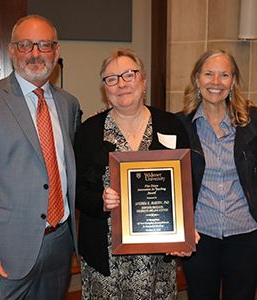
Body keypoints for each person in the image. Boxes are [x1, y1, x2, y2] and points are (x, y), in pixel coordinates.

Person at [74, 48, 191, 300]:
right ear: (105, 88)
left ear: (143, 81)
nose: (122, 84)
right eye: (112, 79)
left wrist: (184, 231)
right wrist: (100, 202)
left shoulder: (170, 125)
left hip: (158, 257)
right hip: (106, 260)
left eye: (129, 74)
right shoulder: (89, 132)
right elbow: (76, 191)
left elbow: (186, 184)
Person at [0, 15, 81, 300]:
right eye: (25, 45)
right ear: (12, 51)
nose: (35, 53)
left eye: (44, 45)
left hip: (59, 245)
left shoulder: (69, 104)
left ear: (56, 52)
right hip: (7, 251)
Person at [177, 49, 257, 300]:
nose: (216, 82)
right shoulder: (179, 125)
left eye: (224, 75)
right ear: (197, 79)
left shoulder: (252, 121)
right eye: (209, 74)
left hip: (245, 235)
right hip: (201, 236)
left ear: (233, 82)